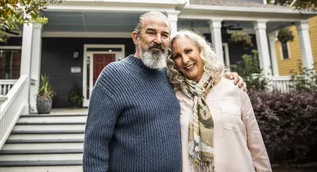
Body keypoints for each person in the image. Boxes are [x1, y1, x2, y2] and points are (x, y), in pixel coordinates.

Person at [83, 11, 245, 172]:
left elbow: (201, 81)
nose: (158, 40)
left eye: (165, 35)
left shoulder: (172, 76)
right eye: (151, 33)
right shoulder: (114, 75)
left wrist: (226, 78)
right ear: (136, 37)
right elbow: (95, 143)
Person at [167, 29, 272, 172]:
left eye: (188, 51)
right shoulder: (174, 97)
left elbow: (256, 144)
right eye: (177, 56)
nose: (185, 60)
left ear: (201, 50)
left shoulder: (234, 88)